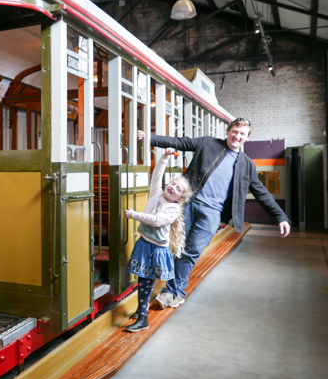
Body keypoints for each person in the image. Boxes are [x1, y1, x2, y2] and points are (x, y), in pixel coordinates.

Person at [137, 117, 290, 309]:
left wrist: (280, 217)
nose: (237, 136)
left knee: (191, 251)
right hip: (188, 204)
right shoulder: (208, 142)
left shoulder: (246, 164)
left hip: (212, 213)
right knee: (179, 247)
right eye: (235, 131)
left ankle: (172, 292)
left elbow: (261, 192)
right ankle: (174, 292)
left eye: (242, 134)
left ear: (247, 138)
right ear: (228, 131)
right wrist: (149, 138)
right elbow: (180, 142)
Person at [123, 148, 192, 332]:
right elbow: (157, 174)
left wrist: (134, 215)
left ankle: (144, 319)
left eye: (178, 189)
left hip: (156, 250)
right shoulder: (156, 194)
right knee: (142, 279)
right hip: (144, 244)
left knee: (146, 281)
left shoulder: (173, 209)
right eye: (173, 184)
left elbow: (156, 221)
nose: (173, 188)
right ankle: (140, 310)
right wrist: (164, 157)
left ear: (180, 198)